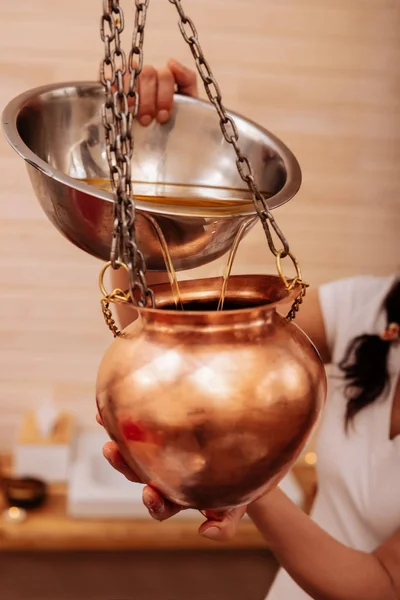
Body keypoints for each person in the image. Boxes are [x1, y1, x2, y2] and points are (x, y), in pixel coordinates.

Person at [98, 60, 400, 600]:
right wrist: (162, 152)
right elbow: (167, 326)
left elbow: (381, 586)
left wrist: (240, 479)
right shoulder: (369, 308)